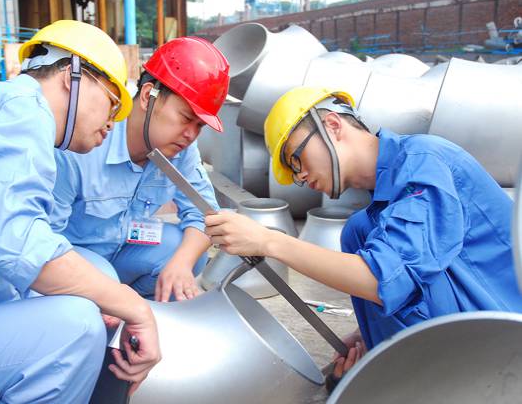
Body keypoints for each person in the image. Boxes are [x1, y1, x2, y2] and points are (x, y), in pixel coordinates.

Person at [0, 20, 160, 403]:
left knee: (96, 280)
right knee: (74, 329)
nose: (112, 122)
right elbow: (25, 250)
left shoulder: (0, 108)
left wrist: (105, 293)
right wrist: (135, 307)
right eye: (111, 102)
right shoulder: (19, 114)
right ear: (70, 75)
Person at [204, 86, 522, 385]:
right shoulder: (380, 206)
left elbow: (385, 280)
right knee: (358, 232)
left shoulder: (423, 163)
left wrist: (269, 241)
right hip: (464, 333)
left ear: (332, 125)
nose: (299, 175)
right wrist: (367, 333)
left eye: (296, 158)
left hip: (500, 337)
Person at [50, 37, 230, 302]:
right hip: (71, 262)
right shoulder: (86, 140)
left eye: (199, 127)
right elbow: (44, 240)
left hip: (123, 251)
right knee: (103, 281)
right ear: (148, 96)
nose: (191, 135)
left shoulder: (181, 150)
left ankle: (130, 307)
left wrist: (180, 265)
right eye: (185, 118)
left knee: (186, 251)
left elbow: (205, 215)